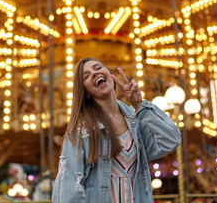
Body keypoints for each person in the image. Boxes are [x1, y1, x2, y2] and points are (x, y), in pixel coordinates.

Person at [52, 57, 181, 203]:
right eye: (86, 76)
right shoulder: (82, 131)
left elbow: (171, 139)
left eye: (97, 68)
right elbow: (69, 189)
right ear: (86, 92)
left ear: (110, 75)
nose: (94, 73)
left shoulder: (135, 121)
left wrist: (139, 105)